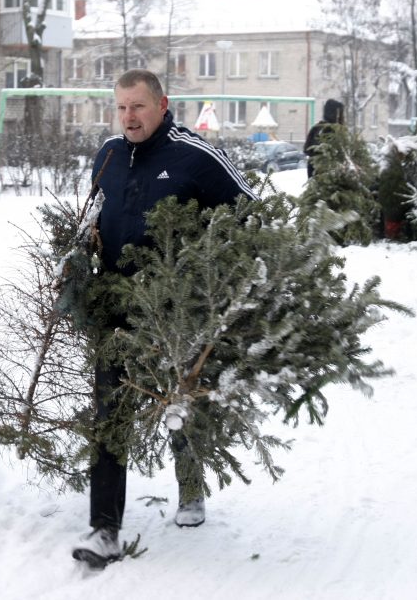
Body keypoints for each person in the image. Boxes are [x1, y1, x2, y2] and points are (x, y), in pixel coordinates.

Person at [72, 69, 257, 569]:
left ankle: (191, 488)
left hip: (177, 311)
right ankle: (105, 529)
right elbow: (97, 212)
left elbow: (251, 213)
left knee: (179, 401)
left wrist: (210, 275)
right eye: (121, 108)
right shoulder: (108, 155)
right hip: (116, 306)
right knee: (110, 416)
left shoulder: (195, 155)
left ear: (162, 104)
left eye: (138, 106)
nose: (129, 117)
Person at [303, 98, 345, 178]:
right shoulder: (332, 130)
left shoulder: (316, 128)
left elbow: (307, 149)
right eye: (340, 114)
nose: (341, 117)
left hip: (315, 172)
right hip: (325, 175)